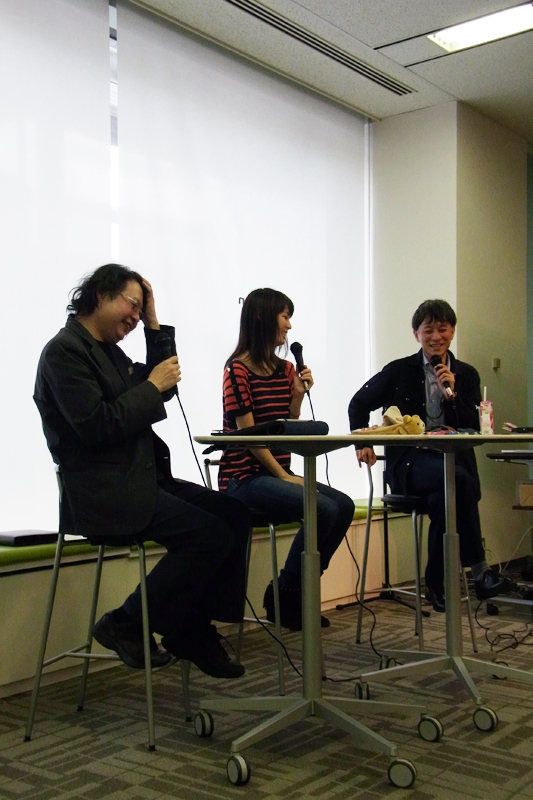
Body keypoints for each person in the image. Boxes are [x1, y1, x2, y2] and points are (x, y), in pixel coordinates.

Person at [34, 263, 250, 678]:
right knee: (209, 536)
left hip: (139, 480)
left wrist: (153, 323)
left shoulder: (110, 353)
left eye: (139, 310)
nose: (134, 317)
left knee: (234, 514)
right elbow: (97, 426)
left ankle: (189, 627)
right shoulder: (64, 352)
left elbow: (164, 388)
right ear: (101, 296)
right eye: (132, 306)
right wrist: (151, 385)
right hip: (103, 493)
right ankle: (128, 621)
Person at [348, 299, 515, 612]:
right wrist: (363, 443)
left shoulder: (466, 375)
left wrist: (452, 395)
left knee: (445, 496)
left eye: (443, 329)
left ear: (452, 332)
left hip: (452, 465)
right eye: (428, 330)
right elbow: (357, 404)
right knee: (457, 482)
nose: (436, 336)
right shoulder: (399, 370)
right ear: (417, 334)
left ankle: (436, 585)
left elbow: (474, 426)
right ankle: (480, 570)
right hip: (410, 464)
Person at [218, 288, 355, 630]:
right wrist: (283, 475)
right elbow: (250, 438)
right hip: (243, 478)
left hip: (276, 473)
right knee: (322, 508)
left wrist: (297, 396)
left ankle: (290, 590)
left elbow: (286, 426)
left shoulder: (286, 369)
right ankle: (289, 595)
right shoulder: (236, 370)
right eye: (284, 317)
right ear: (262, 317)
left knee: (344, 506)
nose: (289, 326)